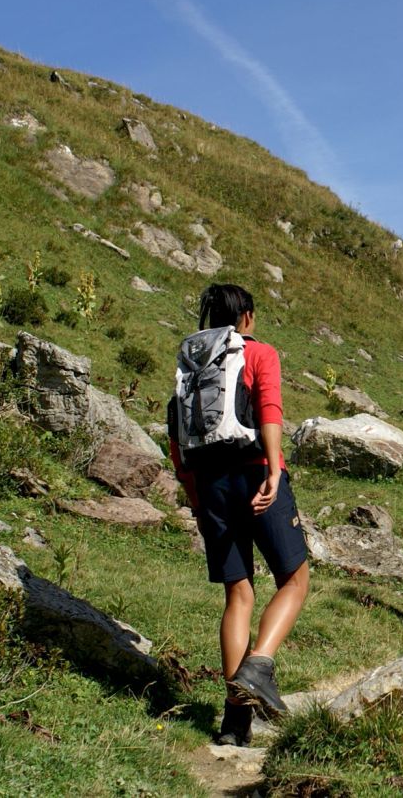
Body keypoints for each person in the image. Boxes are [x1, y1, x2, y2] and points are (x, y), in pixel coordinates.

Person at [168, 284, 310, 747]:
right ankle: (260, 665)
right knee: (294, 581)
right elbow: (270, 409)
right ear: (246, 317)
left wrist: (195, 496)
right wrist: (272, 469)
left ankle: (234, 723)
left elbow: (177, 434)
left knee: (239, 595)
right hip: (254, 472)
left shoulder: (190, 362)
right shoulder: (258, 353)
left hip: (211, 483)